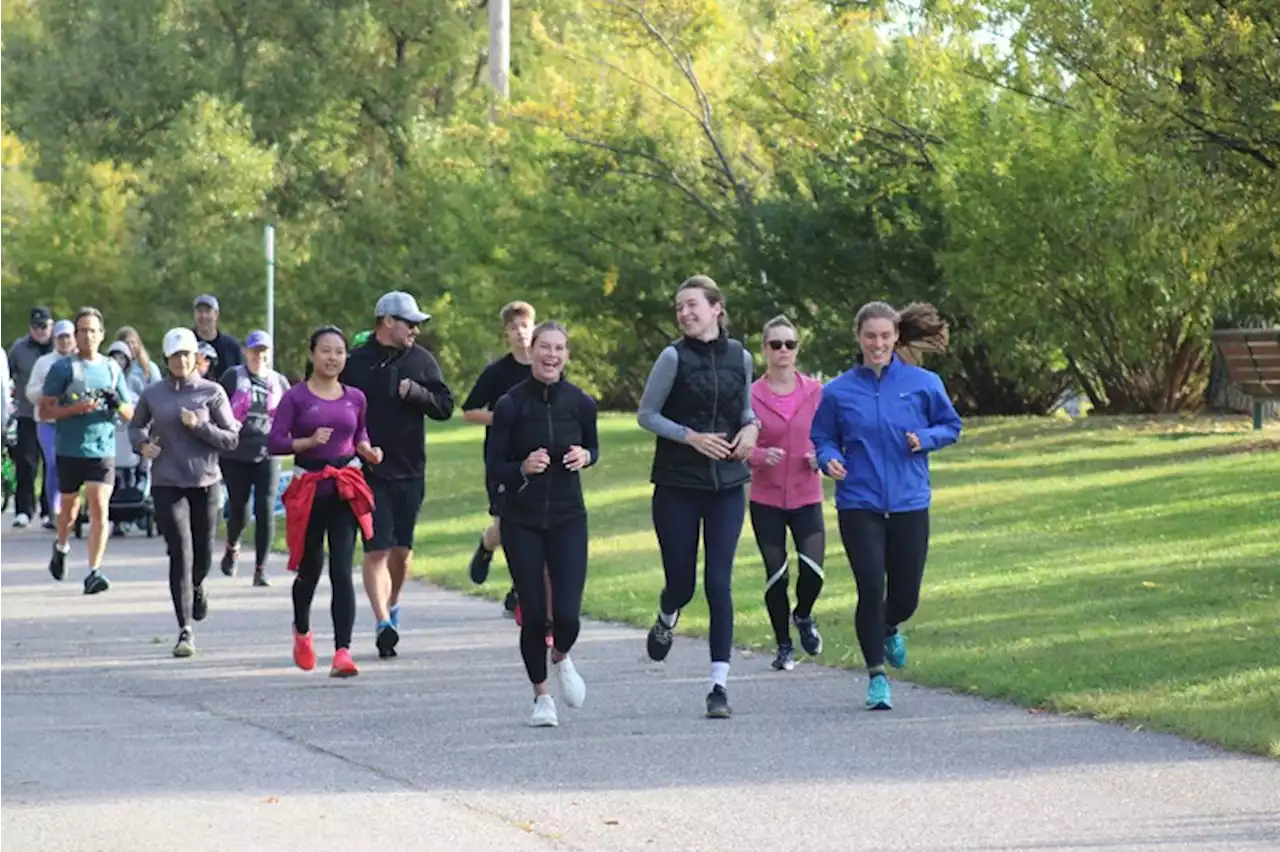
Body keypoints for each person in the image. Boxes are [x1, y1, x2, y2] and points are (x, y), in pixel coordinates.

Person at [810, 301, 962, 711]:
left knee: (905, 595)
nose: (877, 344)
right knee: (871, 587)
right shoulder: (838, 391)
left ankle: (891, 624)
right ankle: (877, 677)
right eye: (870, 336)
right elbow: (821, 437)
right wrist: (828, 459)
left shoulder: (924, 383)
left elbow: (951, 426)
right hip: (859, 502)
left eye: (884, 336)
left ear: (896, 337)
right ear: (858, 337)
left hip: (910, 501)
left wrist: (924, 439)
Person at [637, 275, 759, 719]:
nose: (685, 313)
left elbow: (746, 411)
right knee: (683, 583)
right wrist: (689, 437)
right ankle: (668, 614)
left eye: (692, 305)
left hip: (727, 484)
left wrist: (752, 429)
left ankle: (718, 687)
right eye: (679, 307)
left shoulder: (740, 356)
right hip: (677, 485)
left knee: (719, 583)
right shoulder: (673, 357)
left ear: (716, 308)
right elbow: (646, 415)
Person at [486, 321, 597, 727]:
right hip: (523, 519)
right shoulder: (510, 405)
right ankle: (542, 698)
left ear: (567, 356)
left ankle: (562, 656)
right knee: (534, 613)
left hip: (569, 516)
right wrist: (521, 467)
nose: (551, 355)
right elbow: (494, 467)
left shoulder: (581, 403)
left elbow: (594, 447)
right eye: (544, 347)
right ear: (531, 351)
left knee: (567, 615)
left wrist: (587, 457)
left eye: (559, 349)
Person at [341, 292, 453, 659]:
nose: (415, 330)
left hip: (410, 469)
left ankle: (394, 602)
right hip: (369, 472)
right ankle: (382, 622)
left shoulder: (421, 361)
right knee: (377, 549)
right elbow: (337, 405)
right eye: (409, 323)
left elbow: (445, 408)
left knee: (401, 552)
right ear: (388, 321)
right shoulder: (356, 363)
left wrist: (416, 392)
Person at [270, 325, 382, 678]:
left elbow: (359, 433)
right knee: (309, 570)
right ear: (312, 354)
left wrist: (367, 450)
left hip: (344, 486)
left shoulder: (356, 397)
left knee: (341, 570)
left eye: (339, 351)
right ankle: (302, 630)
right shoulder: (296, 398)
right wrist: (306, 442)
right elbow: (275, 442)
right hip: (308, 488)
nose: (333, 358)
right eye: (326, 351)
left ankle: (343, 652)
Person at [129, 329, 241, 657]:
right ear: (166, 360)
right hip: (166, 481)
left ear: (197, 358)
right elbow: (135, 425)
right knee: (180, 551)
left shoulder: (212, 392)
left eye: (187, 355)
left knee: (202, 554)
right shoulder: (154, 394)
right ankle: (184, 629)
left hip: (205, 482)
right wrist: (142, 445)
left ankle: (198, 586)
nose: (181, 361)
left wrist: (200, 426)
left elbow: (231, 439)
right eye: (175, 356)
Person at [747, 316, 827, 672]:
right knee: (776, 574)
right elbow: (736, 445)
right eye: (775, 344)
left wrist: (820, 455)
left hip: (806, 493)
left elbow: (830, 436)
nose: (783, 351)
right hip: (765, 499)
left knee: (813, 571)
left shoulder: (815, 391)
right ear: (764, 349)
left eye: (789, 345)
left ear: (797, 350)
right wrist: (761, 456)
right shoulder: (750, 395)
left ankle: (804, 615)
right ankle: (783, 646)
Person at [39, 307, 135, 594]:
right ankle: (62, 545)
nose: (88, 336)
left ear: (102, 335)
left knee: (99, 508)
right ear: (76, 335)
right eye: (83, 330)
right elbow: (45, 410)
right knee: (69, 511)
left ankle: (94, 571)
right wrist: (76, 409)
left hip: (102, 448)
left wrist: (116, 402)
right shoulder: (64, 368)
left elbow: (131, 412)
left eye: (93, 331)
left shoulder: (112, 369)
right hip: (70, 448)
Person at [462, 301, 535, 617]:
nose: (520, 333)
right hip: (503, 458)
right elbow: (469, 411)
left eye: (525, 326)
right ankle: (487, 545)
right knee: (506, 528)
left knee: (538, 525)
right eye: (514, 328)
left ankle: (521, 590)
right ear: (506, 333)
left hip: (541, 457)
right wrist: (505, 418)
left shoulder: (547, 365)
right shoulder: (497, 372)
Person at [219, 330, 290, 587]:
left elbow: (289, 414)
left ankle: (261, 568)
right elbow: (218, 407)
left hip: (267, 451)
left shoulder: (279, 381)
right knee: (239, 508)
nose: (259, 356)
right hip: (235, 452)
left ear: (269, 354)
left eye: (263, 351)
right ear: (246, 353)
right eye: (254, 351)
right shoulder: (232, 377)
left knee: (266, 507)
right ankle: (232, 545)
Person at [25, 321, 76, 521]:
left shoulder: (80, 361)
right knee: (54, 462)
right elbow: (30, 392)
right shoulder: (44, 363)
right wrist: (48, 391)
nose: (64, 341)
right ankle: (55, 509)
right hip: (48, 422)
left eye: (68, 337)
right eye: (60, 337)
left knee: (75, 465)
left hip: (73, 421)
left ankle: (72, 509)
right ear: (54, 340)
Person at [9, 306, 54, 528]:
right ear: (30, 328)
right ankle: (24, 510)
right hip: (27, 414)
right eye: (36, 327)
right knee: (26, 463)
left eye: (44, 326)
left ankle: (49, 511)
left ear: (52, 325)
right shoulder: (19, 348)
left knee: (52, 463)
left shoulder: (61, 345)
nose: (41, 331)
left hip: (54, 416)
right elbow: (6, 375)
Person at [192, 294, 242, 377]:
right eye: (200, 311)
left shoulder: (232, 346)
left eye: (208, 311)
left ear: (216, 314)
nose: (203, 316)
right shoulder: (186, 343)